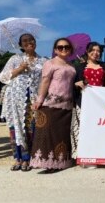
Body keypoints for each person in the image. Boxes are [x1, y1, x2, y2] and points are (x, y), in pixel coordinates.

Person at [0, 33, 47, 171]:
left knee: (31, 128)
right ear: (20, 45)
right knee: (15, 128)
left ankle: (29, 158)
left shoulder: (42, 61)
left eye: (31, 39)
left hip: (33, 99)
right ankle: (18, 158)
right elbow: (3, 77)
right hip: (15, 99)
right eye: (25, 41)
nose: (29, 42)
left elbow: (46, 80)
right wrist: (19, 69)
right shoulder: (15, 59)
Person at [30, 38, 76, 173]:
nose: (64, 49)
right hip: (51, 104)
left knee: (61, 135)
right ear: (55, 49)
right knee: (47, 134)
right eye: (60, 47)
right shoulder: (49, 63)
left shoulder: (72, 65)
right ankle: (47, 162)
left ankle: (61, 162)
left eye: (66, 47)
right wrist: (39, 100)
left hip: (67, 105)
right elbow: (45, 81)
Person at [72, 42, 105, 159]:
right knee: (83, 128)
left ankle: (99, 155)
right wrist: (76, 84)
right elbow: (71, 84)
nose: (96, 53)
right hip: (83, 102)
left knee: (99, 129)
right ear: (87, 51)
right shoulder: (78, 67)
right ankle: (82, 156)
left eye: (98, 51)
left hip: (99, 103)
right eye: (93, 50)